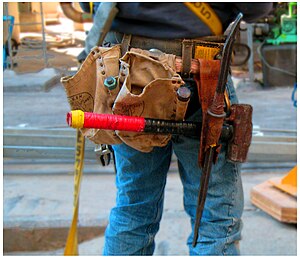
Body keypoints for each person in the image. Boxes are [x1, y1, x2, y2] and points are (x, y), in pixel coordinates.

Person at [86, 3, 273, 256]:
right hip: (202, 76)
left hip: (129, 76)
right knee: (214, 219)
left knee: (134, 208)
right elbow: (256, 7)